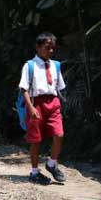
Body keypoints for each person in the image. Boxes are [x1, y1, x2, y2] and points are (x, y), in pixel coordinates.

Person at [20, 32, 66, 185]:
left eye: (53, 48)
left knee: (59, 135)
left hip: (53, 103)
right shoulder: (30, 65)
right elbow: (24, 89)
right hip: (36, 104)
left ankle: (52, 164)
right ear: (38, 47)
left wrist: (58, 104)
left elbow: (59, 87)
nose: (51, 51)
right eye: (47, 48)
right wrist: (31, 108)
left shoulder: (56, 65)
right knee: (36, 140)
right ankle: (34, 172)